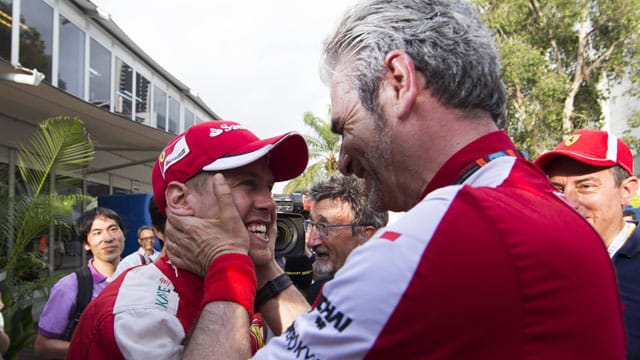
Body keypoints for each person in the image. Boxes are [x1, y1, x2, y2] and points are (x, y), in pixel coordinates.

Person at [163, 0, 626, 358]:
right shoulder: (534, 199)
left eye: (345, 126)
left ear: (398, 83)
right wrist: (264, 267)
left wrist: (227, 259)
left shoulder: (434, 243)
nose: (342, 160)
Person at [66, 120, 309, 359]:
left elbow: (323, 352)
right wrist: (230, 263)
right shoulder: (137, 314)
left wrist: (265, 266)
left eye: (268, 187)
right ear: (180, 201)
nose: (268, 203)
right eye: (247, 184)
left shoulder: (256, 283)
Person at [534, 129, 640, 359]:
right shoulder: (533, 265)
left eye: (586, 186)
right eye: (557, 189)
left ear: (626, 190)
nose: (568, 201)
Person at [35, 207, 125, 359]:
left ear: (123, 235)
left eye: (113, 229)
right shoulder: (71, 286)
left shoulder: (139, 278)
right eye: (97, 233)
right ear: (86, 244)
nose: (108, 238)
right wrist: (95, 350)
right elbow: (43, 345)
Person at [304, 174, 388, 304]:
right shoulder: (318, 291)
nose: (311, 241)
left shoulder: (390, 299)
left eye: (324, 227)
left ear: (366, 236)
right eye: (311, 226)